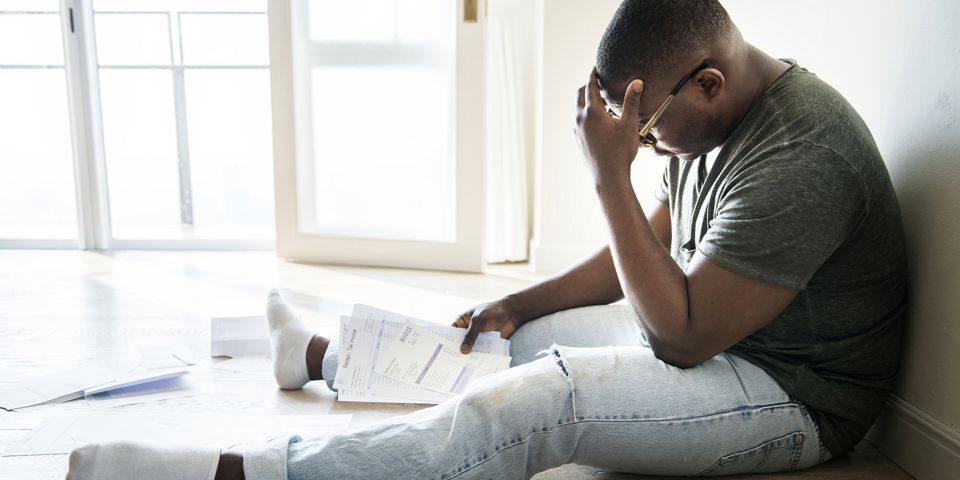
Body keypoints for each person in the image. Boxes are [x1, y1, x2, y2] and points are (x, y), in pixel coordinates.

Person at [66, 0, 908, 478]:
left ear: (709, 84)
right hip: (729, 337)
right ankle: (320, 357)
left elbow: (683, 338)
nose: (645, 148)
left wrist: (606, 175)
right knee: (517, 340)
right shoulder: (718, 121)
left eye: (648, 132)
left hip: (794, 395)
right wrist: (520, 300)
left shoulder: (804, 154)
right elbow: (649, 249)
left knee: (544, 398)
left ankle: (244, 476)